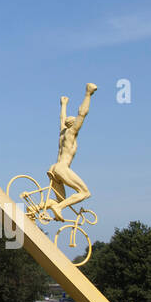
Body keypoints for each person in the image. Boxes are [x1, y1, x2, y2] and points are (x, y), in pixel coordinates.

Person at [47, 83, 97, 220]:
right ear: (73, 125)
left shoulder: (62, 134)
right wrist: (88, 94)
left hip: (54, 168)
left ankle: (37, 207)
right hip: (62, 168)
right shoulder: (71, 134)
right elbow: (82, 113)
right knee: (85, 193)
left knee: (61, 199)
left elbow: (62, 119)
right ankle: (58, 208)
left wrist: (63, 104)